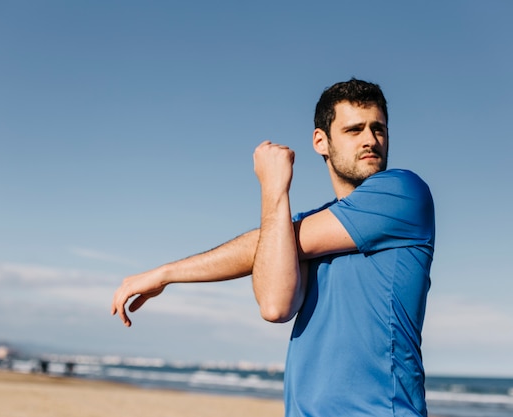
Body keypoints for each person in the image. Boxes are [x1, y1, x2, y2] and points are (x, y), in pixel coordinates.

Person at [111, 78, 435, 416]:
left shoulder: (403, 193)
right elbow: (275, 305)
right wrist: (165, 274)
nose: (371, 140)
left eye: (378, 129)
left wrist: (272, 187)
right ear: (320, 141)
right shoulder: (305, 224)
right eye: (355, 130)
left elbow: (267, 242)